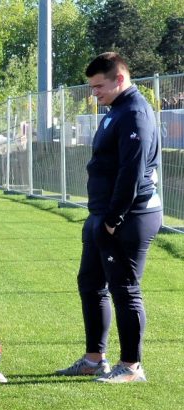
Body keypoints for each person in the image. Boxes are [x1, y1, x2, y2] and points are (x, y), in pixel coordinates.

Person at [57, 52, 162, 383]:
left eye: (99, 86)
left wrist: (113, 219)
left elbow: (131, 172)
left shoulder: (135, 113)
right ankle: (94, 359)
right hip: (102, 213)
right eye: (92, 87)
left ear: (119, 79)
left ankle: (131, 366)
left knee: (125, 288)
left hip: (128, 216)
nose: (95, 93)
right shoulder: (116, 110)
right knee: (90, 283)